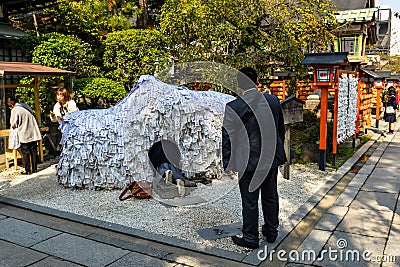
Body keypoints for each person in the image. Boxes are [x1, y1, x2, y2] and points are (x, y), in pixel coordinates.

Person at [222, 67, 286, 249]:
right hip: (270, 157)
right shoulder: (273, 101)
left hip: (247, 160)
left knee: (250, 201)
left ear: (239, 85)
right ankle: (271, 232)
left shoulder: (233, 107)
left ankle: (250, 238)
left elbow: (227, 137)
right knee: (271, 196)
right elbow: (280, 128)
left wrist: (228, 163)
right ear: (256, 81)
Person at [6, 96, 42, 174]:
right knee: (33, 151)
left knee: (25, 152)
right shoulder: (26, 106)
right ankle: (35, 169)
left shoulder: (15, 110)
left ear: (12, 103)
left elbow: (13, 123)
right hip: (33, 132)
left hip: (24, 133)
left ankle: (28, 170)